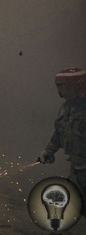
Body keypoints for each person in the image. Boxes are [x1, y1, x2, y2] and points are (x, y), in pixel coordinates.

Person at [39, 67, 86, 212]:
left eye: (66, 88)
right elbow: (60, 131)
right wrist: (48, 150)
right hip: (77, 170)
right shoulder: (66, 108)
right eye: (60, 88)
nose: (62, 93)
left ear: (79, 87)